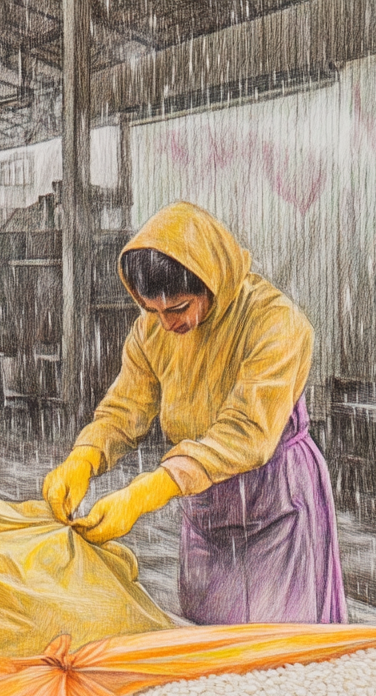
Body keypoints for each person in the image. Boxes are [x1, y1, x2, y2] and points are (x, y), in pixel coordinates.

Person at [43, 201, 345, 626]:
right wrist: (85, 457)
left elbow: (246, 434)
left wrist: (148, 491)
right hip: (202, 498)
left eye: (179, 308)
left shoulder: (275, 323)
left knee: (279, 646)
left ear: (211, 282)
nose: (166, 325)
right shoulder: (152, 330)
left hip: (275, 496)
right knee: (207, 636)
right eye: (152, 311)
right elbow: (125, 407)